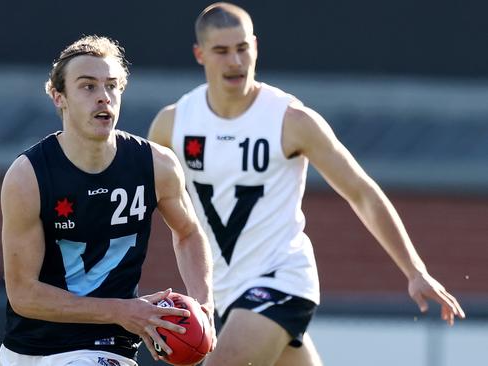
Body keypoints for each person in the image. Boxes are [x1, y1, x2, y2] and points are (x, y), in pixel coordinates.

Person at [148, 3, 466, 365]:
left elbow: (360, 191)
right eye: (221, 51)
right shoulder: (173, 123)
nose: (235, 61)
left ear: (255, 46)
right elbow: (139, 206)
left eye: (242, 48)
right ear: (200, 54)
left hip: (281, 280)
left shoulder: (290, 119)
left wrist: (415, 271)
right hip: (224, 292)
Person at [0, 35, 214, 366]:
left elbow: (188, 233)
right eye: (88, 87)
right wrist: (123, 310)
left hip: (105, 346)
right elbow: (23, 295)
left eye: (112, 86)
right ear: (59, 97)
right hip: (27, 351)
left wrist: (203, 306)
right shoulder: (28, 176)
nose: (103, 97)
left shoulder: (156, 165)